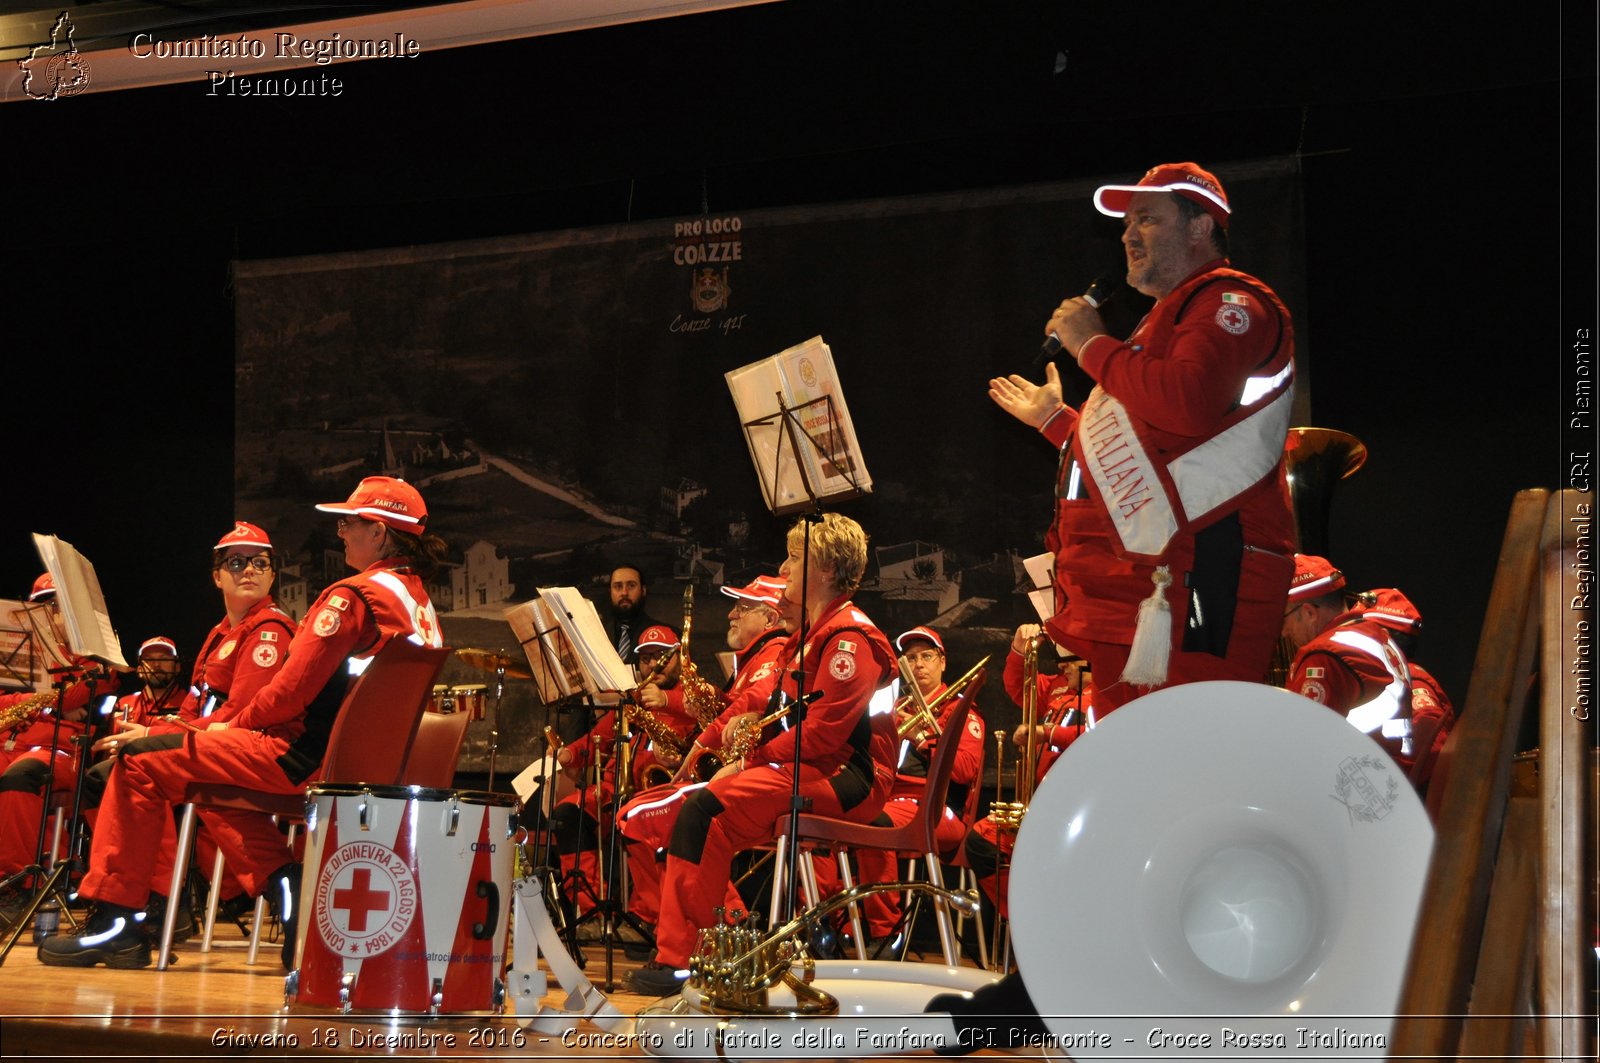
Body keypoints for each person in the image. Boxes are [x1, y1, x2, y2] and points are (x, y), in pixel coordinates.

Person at [41, 476, 446, 970]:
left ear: (378, 532)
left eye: (348, 522)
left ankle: (117, 924)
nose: (340, 533)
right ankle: (286, 884)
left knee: (136, 762)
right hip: (365, 769)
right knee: (203, 776)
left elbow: (286, 695)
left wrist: (214, 731)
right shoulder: (419, 601)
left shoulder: (353, 596)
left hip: (307, 761)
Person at [988, 161, 1296, 713]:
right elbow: (1149, 448)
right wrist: (1057, 421)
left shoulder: (1232, 305)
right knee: (1132, 764)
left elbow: (1188, 401)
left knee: (1184, 755)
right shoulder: (1158, 325)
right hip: (1137, 577)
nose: (1128, 234)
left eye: (1147, 219)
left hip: (1200, 570)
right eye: (1127, 223)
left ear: (1201, 227)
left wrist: (1090, 346)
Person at [631, 513, 898, 996]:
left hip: (850, 777)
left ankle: (692, 956)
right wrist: (748, 730)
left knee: (705, 810)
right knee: (703, 809)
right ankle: (698, 953)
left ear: (825, 567)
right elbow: (790, 717)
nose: (784, 566)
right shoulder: (815, 633)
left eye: (795, 557)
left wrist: (750, 755)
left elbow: (820, 734)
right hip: (815, 766)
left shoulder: (849, 639)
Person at [616, 574, 790, 951]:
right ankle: (716, 932)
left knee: (648, 817)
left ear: (770, 619)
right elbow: (738, 708)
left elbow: (754, 704)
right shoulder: (754, 659)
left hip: (757, 776)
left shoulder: (774, 653)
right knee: (641, 816)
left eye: (742, 608)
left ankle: (707, 937)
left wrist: (697, 744)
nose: (731, 614)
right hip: (742, 773)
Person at [852, 625, 985, 951]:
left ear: (942, 662)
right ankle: (829, 924)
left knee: (872, 822)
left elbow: (964, 770)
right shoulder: (895, 712)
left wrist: (925, 740)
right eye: (910, 658)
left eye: (927, 656)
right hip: (891, 801)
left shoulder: (962, 712)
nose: (919, 664)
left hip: (938, 809)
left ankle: (886, 934)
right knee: (832, 816)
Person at [547, 624, 690, 917]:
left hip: (659, 795)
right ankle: (590, 910)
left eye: (662, 656)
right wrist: (569, 754)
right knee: (567, 814)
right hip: (615, 791)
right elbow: (598, 738)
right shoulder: (632, 700)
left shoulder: (691, 698)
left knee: (639, 816)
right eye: (646, 658)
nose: (653, 664)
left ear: (681, 657)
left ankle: (647, 914)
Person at [962, 623, 1094, 921]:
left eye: (1070, 658)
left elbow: (1100, 733)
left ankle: (1041, 917)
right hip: (1041, 801)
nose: (1063, 665)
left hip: (1078, 807)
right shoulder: (1058, 687)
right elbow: (1019, 685)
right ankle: (1028, 917)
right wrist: (1020, 649)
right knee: (983, 842)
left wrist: (1045, 733)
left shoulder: (1107, 693)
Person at [0, 575, 120, 885]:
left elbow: (81, 692)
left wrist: (44, 702)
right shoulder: (15, 657)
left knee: (20, 777)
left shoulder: (95, 661)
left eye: (59, 606)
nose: (52, 616)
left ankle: (18, 882)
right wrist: (41, 702)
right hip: (9, 745)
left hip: (60, 751)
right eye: (44, 607)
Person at [1280, 555, 1416, 772]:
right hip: (1393, 773)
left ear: (1309, 613)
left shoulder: (1324, 655)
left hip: (1357, 783)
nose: (1284, 631)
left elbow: (1302, 745)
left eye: (1284, 618)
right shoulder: (1378, 636)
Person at [1352, 586, 1454, 792]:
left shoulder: (1412, 680)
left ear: (1383, 637)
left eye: (1358, 631)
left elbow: (1428, 747)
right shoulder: (1389, 681)